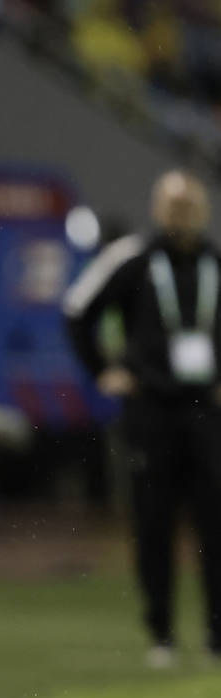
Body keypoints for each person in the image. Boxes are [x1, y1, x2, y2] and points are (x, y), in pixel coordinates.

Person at [64, 169, 221, 669]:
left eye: (189, 204)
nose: (181, 214)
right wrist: (103, 372)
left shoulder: (216, 262)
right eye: (173, 205)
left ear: (205, 209)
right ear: (157, 209)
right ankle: (162, 635)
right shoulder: (132, 258)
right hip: (151, 411)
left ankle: (216, 636)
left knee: (215, 525)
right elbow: (76, 310)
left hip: (208, 414)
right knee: (153, 524)